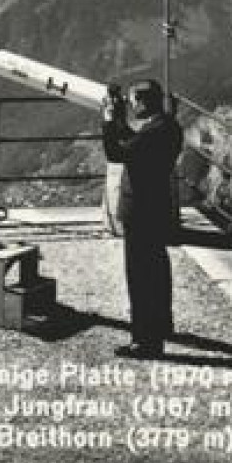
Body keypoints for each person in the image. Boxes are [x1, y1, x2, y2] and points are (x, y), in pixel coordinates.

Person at [101, 79, 181, 359]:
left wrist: (109, 121)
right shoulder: (167, 127)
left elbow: (117, 152)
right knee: (157, 270)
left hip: (141, 213)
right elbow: (133, 142)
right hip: (156, 209)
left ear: (145, 102)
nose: (132, 106)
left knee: (141, 276)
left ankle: (145, 341)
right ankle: (161, 325)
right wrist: (120, 118)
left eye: (134, 101)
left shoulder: (154, 133)